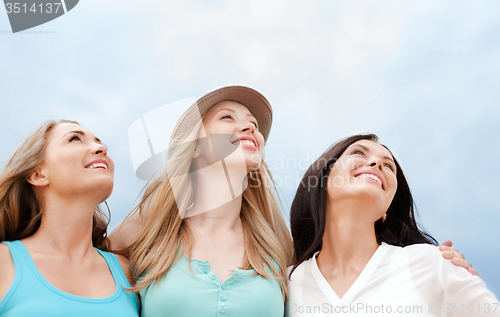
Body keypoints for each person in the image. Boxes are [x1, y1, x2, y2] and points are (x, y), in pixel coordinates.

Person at [109, 86, 294, 316]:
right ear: (195, 147)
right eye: (227, 117)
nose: (250, 128)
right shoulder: (145, 230)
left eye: (254, 125)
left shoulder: (277, 243)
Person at [287, 134, 499, 317]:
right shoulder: (285, 284)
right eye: (359, 153)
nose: (377, 164)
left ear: (386, 209)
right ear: (322, 180)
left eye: (388, 166)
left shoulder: (431, 263)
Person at [0, 120, 139, 316]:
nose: (102, 148)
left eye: (99, 142)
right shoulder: (4, 262)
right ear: (38, 174)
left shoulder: (127, 273)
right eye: (75, 139)